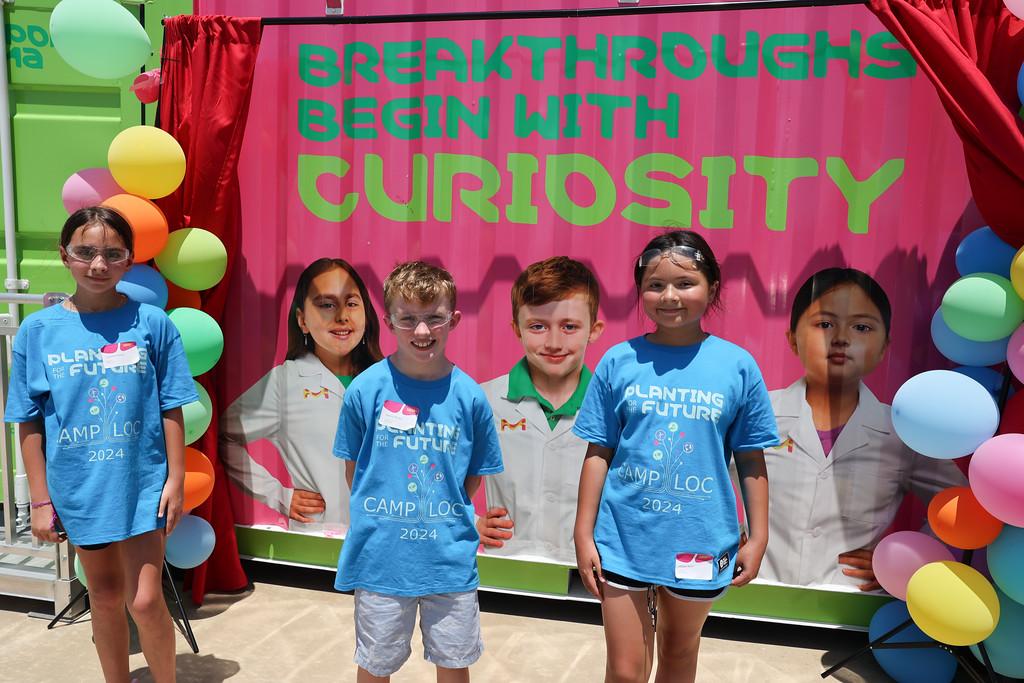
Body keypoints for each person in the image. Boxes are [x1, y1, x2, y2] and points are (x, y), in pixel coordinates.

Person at [573, 230, 778, 683]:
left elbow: (750, 458)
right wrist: (583, 533)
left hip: (701, 539)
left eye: (685, 284)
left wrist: (759, 536)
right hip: (623, 537)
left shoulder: (737, 366)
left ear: (713, 289)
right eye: (655, 284)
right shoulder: (618, 361)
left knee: (679, 654)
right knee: (626, 672)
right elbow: (599, 451)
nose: (669, 296)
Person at [5, 206, 197, 683]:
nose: (98, 264)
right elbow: (27, 421)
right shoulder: (38, 330)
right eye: (85, 252)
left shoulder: (152, 324)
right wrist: (41, 497)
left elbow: (172, 406)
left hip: (141, 483)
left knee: (147, 600)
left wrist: (175, 478)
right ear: (64, 255)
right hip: (79, 487)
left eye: (113, 254)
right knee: (106, 597)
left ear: (130, 259)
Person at [333, 261, 504, 682]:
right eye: (408, 319)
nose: (422, 331)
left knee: (453, 660)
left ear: (454, 320)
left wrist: (442, 514)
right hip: (381, 559)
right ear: (389, 320)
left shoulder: (471, 398)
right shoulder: (365, 390)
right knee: (376, 664)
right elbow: (356, 469)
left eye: (434, 318)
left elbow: (472, 477)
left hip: (448, 560)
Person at [760, 267, 967, 589]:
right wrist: (722, 537)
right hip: (751, 598)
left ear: (884, 347)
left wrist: (904, 561)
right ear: (792, 339)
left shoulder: (902, 434)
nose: (841, 338)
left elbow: (961, 504)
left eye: (861, 327)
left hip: (849, 609)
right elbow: (698, 483)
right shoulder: (756, 413)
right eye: (825, 324)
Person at [220, 258, 382, 534]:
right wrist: (278, 495)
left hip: (387, 539)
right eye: (327, 304)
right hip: (321, 540)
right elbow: (224, 437)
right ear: (302, 320)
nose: (342, 315)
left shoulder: (388, 381)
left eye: (352, 303)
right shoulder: (286, 382)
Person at [478, 256, 605, 564]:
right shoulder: (484, 399)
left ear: (594, 330)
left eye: (570, 326)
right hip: (504, 570)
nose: (553, 342)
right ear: (516, 329)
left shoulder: (613, 411)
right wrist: (469, 521)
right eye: (537, 326)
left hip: (588, 577)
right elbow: (439, 476)